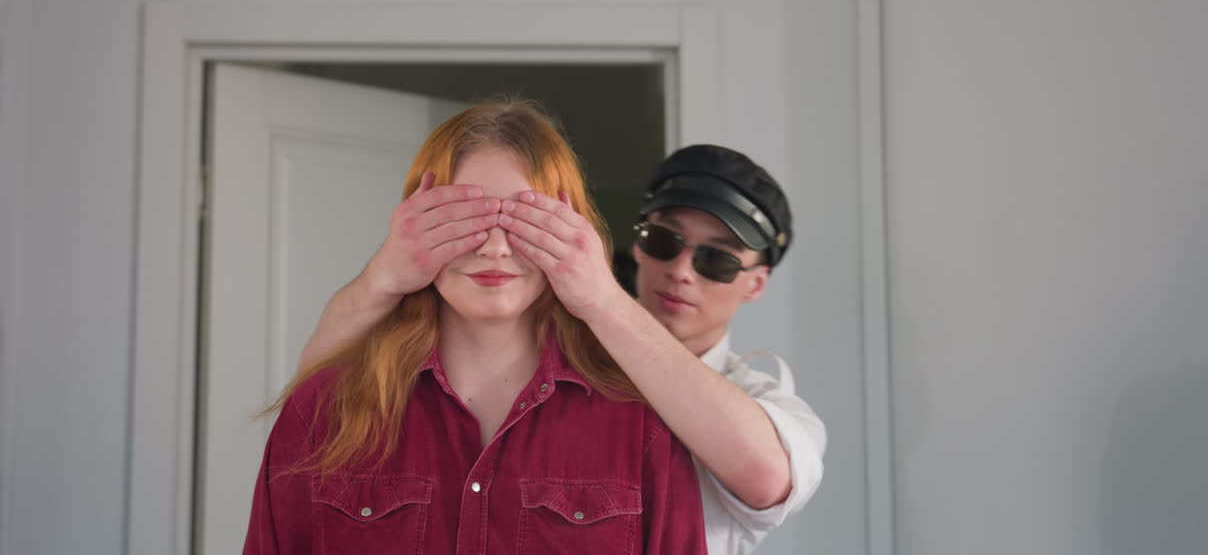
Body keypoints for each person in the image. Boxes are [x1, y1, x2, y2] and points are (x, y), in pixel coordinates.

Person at [301, 136, 825, 555]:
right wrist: (385, 274)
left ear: (756, 283)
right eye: (664, 241)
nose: (682, 271)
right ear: (639, 244)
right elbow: (308, 402)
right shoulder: (553, 370)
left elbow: (767, 475)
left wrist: (602, 299)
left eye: (718, 260)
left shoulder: (762, 399)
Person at [243, 100, 707, 554]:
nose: (495, 248)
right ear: (414, 224)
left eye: (524, 221)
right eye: (467, 219)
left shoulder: (641, 426)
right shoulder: (321, 412)